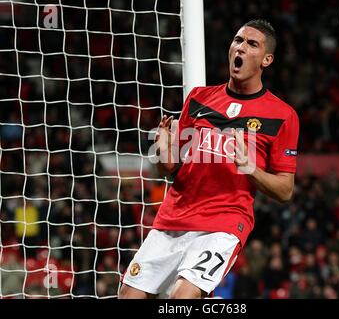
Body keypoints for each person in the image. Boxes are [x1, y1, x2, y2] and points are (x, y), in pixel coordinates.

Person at [119, 19, 299, 299]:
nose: (241, 47)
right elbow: (172, 169)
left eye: (252, 44)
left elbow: (285, 190)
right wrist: (163, 152)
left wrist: (251, 169)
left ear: (266, 59)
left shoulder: (282, 116)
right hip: (175, 216)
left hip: (223, 222)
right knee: (128, 296)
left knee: (183, 297)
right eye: (238, 40)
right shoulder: (199, 99)